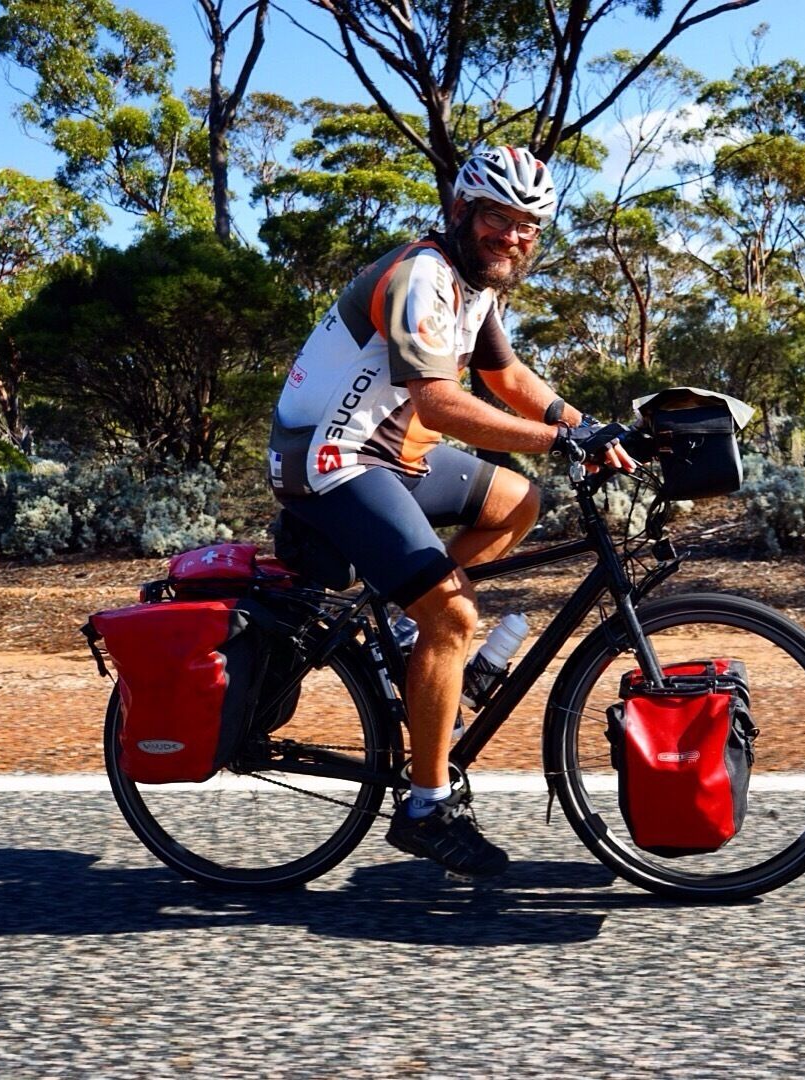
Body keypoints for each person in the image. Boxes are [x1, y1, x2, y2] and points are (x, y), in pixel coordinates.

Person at [267, 145, 633, 878]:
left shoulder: (476, 286)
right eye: (501, 218)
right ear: (462, 212)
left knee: (517, 501)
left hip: (392, 453)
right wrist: (561, 439)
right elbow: (439, 402)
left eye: (530, 224)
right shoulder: (420, 276)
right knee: (456, 618)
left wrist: (591, 427)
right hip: (330, 458)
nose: (516, 237)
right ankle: (426, 806)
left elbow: (506, 377)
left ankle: (405, 634)